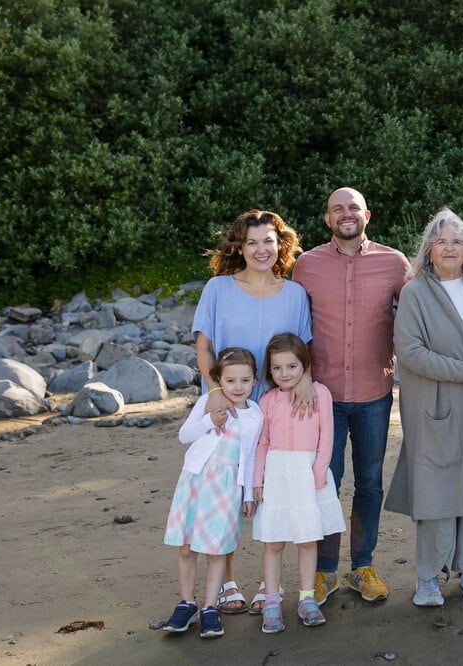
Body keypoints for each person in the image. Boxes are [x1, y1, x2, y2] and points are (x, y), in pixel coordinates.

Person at [192, 209, 315, 614]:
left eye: (268, 241)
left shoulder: (295, 293)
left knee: (271, 492)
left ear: (281, 245)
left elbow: (303, 350)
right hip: (229, 407)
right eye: (252, 242)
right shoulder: (218, 288)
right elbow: (205, 347)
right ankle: (226, 581)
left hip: (278, 410)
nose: (261, 249)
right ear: (239, 247)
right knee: (225, 495)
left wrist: (305, 383)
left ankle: (268, 583)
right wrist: (214, 393)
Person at [292, 187, 409, 604]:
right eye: (338, 209)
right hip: (319, 396)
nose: (346, 214)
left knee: (369, 483)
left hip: (374, 393)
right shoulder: (306, 266)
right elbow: (293, 328)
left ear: (367, 215)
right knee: (324, 482)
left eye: (353, 208)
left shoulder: (394, 263)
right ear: (327, 219)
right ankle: (324, 571)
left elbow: (418, 319)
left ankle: (362, 565)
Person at [385, 208, 463, 607]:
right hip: (436, 407)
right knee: (434, 489)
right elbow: (411, 353)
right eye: (441, 241)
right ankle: (428, 576)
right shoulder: (416, 292)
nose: (449, 248)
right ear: (428, 250)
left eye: (457, 241)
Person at [161, 348, 263, 639]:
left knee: (217, 549)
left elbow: (252, 456)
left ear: (254, 381)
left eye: (245, 380)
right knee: (187, 545)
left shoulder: (255, 414)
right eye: (231, 380)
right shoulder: (208, 401)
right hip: (196, 480)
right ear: (219, 380)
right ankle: (186, 603)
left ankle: (209, 607)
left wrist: (247, 496)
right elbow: (184, 435)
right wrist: (210, 421)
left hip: (227, 485)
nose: (238, 387)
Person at [252, 333, 347, 632]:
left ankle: (307, 598)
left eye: (291, 366)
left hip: (308, 474)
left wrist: (319, 471)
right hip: (277, 475)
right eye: (277, 368)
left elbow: (327, 436)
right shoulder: (267, 400)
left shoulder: (320, 393)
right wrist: (258, 481)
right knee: (274, 541)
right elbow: (262, 443)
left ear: (304, 365)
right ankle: (271, 601)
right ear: (269, 370)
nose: (284, 374)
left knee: (307, 540)